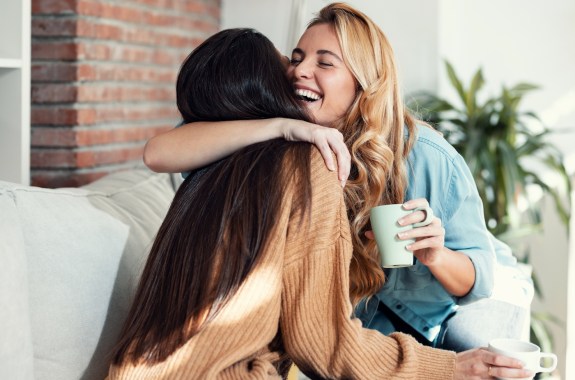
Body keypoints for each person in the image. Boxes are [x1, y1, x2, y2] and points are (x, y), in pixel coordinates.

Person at [108, 28, 532, 380]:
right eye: (294, 59)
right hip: (351, 330)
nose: (299, 72)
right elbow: (325, 343)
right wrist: (283, 126)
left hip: (447, 309)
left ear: (365, 84)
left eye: (324, 62)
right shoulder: (254, 148)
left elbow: (480, 281)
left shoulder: (423, 156)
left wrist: (435, 256)